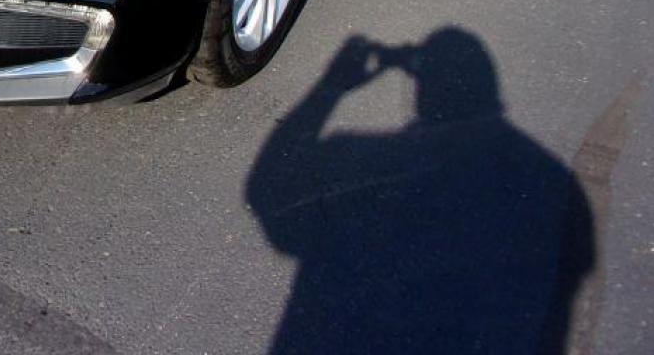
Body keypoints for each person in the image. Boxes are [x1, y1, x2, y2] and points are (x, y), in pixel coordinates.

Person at [246, 29, 595, 354]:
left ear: (422, 89)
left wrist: (330, 88)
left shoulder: (367, 159)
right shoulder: (550, 179)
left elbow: (270, 197)